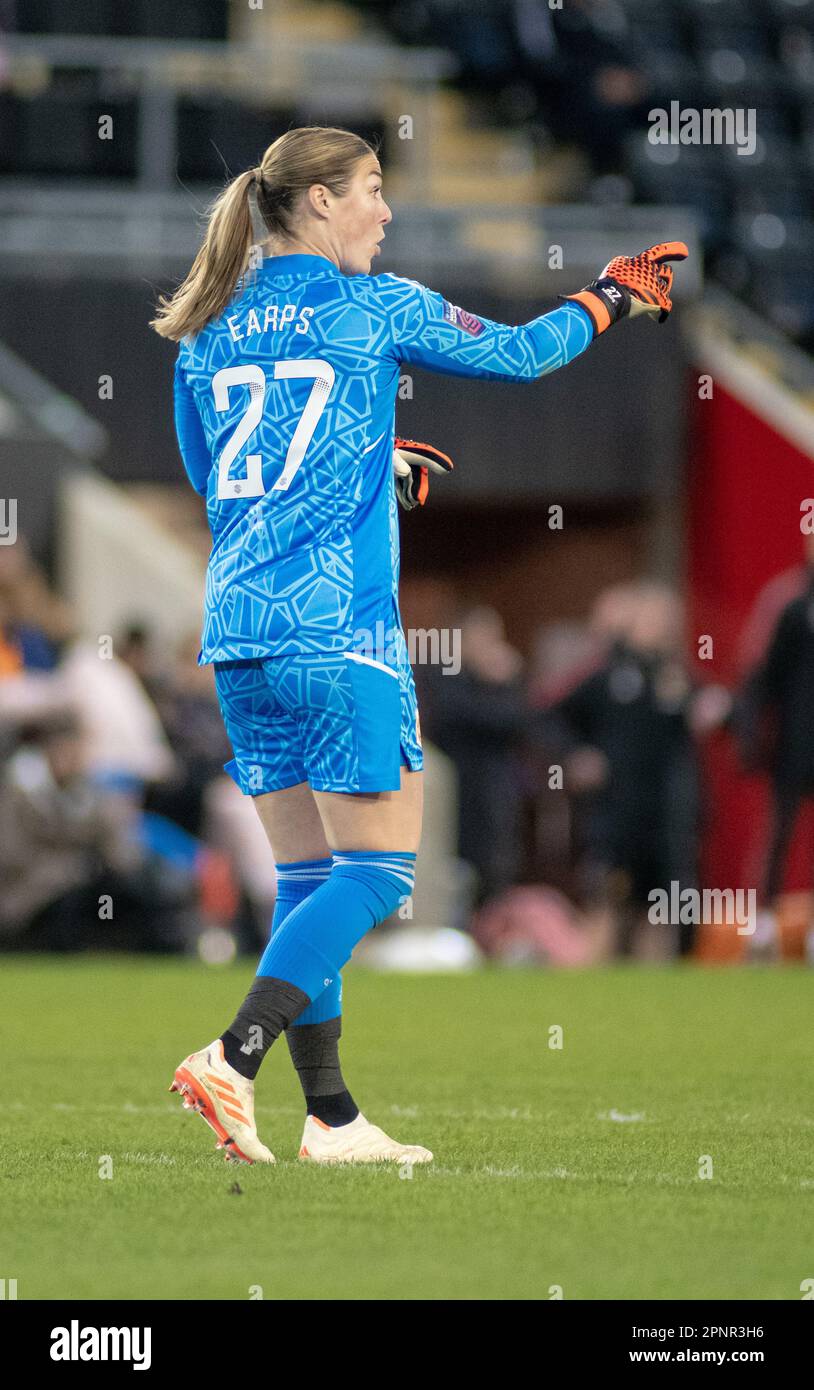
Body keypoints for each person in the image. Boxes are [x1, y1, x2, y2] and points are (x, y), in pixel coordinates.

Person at [150, 124, 687, 1166]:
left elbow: (221, 478)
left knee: (310, 878)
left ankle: (333, 1118)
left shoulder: (207, 327)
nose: (386, 212)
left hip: (239, 632)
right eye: (371, 189)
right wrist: (616, 294)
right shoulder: (372, 306)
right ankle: (232, 1054)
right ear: (315, 203)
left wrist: (371, 457)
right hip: (338, 629)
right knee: (382, 874)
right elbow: (522, 355)